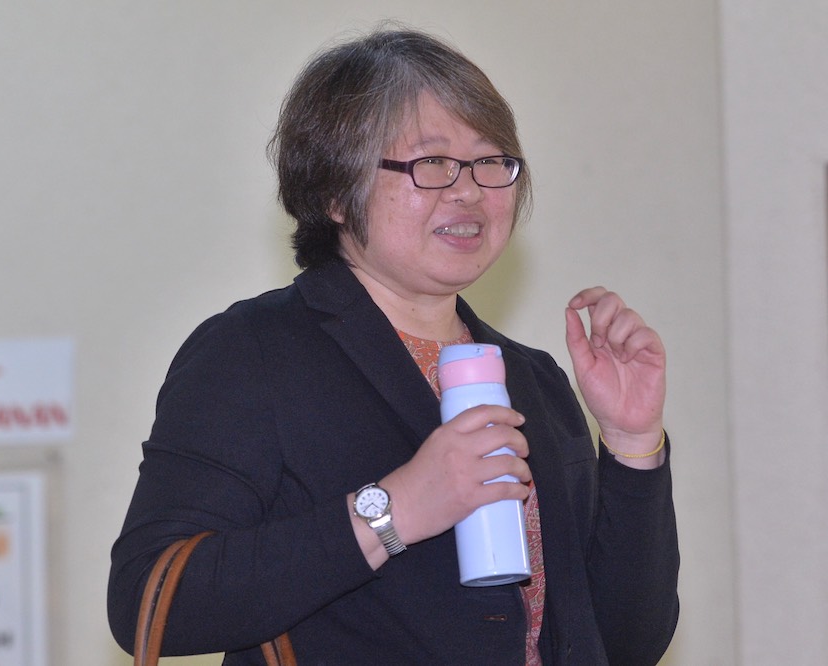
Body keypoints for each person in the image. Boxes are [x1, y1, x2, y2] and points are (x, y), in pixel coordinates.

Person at [108, 26, 678, 665]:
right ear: (333, 194)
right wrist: (392, 512)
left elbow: (627, 642)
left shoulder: (535, 380)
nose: (469, 191)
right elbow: (150, 598)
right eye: (432, 163)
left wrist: (632, 445)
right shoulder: (254, 352)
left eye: (492, 161)